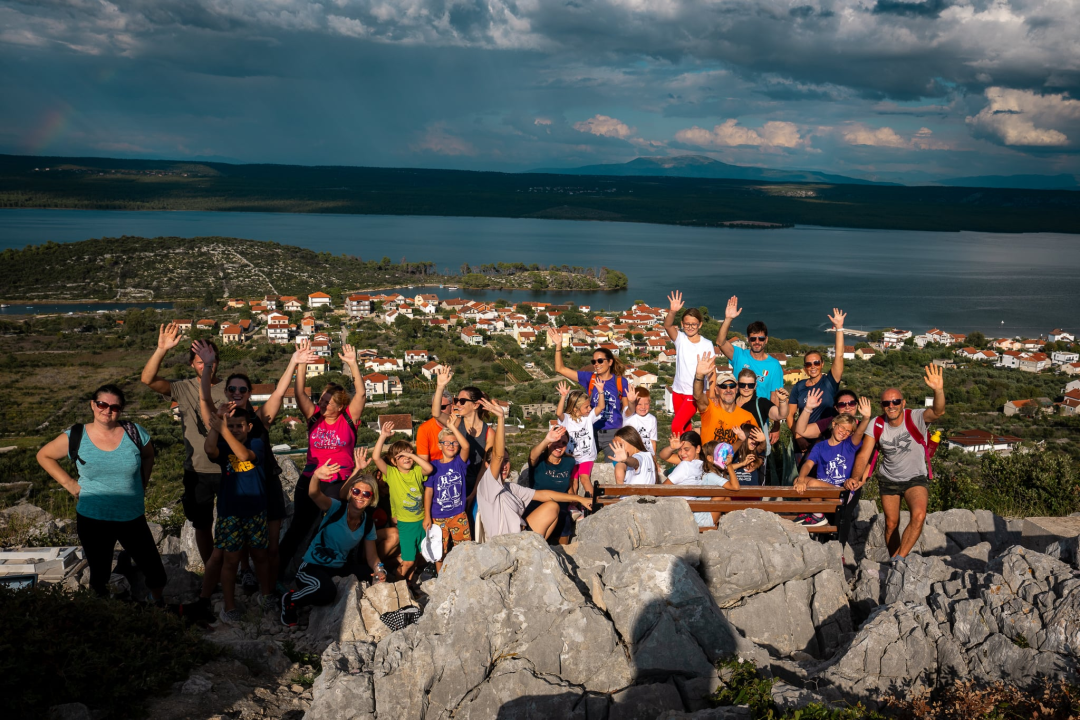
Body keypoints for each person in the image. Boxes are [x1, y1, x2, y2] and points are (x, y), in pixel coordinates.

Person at [195, 339, 318, 595]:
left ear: (249, 392)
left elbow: (280, 392)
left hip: (267, 484)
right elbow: (204, 397)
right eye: (232, 388)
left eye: (242, 389)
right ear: (227, 391)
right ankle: (242, 576)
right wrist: (207, 366)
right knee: (232, 548)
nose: (237, 392)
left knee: (269, 547)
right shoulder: (222, 419)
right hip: (237, 485)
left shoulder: (259, 419)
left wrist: (294, 362)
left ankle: (270, 588)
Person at [36, 385, 165, 602]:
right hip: (93, 517)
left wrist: (142, 483)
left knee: (155, 570)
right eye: (102, 404)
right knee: (99, 575)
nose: (107, 410)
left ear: (121, 410)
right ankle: (104, 616)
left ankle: (158, 608)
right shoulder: (76, 436)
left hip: (131, 515)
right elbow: (44, 455)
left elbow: (148, 456)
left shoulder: (134, 433)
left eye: (114, 407)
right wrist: (70, 484)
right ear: (93, 405)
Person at [277, 343, 367, 579]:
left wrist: (352, 363)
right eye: (323, 400)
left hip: (339, 481)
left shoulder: (349, 419)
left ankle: (331, 574)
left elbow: (362, 394)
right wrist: (302, 363)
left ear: (341, 406)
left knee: (334, 529)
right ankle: (276, 576)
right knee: (298, 528)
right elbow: (299, 394)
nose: (324, 404)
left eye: (329, 402)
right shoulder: (314, 417)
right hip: (311, 478)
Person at [141, 322, 227, 566]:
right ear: (192, 364)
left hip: (227, 468)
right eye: (200, 361)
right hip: (196, 469)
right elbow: (147, 379)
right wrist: (161, 349)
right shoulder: (182, 387)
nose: (205, 365)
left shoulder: (230, 388)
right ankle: (212, 570)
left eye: (210, 360)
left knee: (232, 521)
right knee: (202, 525)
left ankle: (237, 568)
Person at [848, 365, 946, 563]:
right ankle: (894, 560)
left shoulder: (915, 417)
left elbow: (938, 411)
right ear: (882, 405)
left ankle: (899, 559)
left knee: (918, 515)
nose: (891, 406)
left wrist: (938, 390)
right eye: (886, 402)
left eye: (895, 401)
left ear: (903, 403)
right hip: (889, 479)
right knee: (891, 524)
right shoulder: (876, 424)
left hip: (915, 478)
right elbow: (863, 455)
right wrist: (855, 478)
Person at [280, 452, 386, 627]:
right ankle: (290, 599)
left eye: (366, 494)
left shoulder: (367, 523)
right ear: (350, 493)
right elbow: (314, 494)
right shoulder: (336, 508)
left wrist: (380, 570)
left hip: (337, 567)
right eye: (356, 491)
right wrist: (315, 476)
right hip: (313, 566)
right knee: (327, 592)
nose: (360, 496)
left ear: (372, 499)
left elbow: (372, 557)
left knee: (370, 575)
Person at [475, 400, 593, 539]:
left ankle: (538, 547)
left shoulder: (510, 487)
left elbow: (543, 495)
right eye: (500, 462)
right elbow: (498, 455)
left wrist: (578, 499)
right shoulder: (488, 485)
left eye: (507, 461)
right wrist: (501, 418)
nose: (504, 466)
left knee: (552, 507)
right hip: (505, 543)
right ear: (488, 465)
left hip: (522, 536)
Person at [203, 403, 272, 623]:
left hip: (256, 511)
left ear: (249, 426)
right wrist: (217, 425)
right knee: (230, 561)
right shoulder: (223, 446)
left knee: (260, 555)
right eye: (230, 426)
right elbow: (209, 450)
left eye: (239, 426)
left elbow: (243, 456)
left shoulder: (257, 444)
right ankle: (229, 606)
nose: (234, 430)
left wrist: (223, 430)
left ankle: (267, 595)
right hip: (230, 512)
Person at [792, 391, 872, 528]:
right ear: (834, 425)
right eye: (842, 428)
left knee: (812, 485)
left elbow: (859, 433)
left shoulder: (848, 446)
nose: (844, 432)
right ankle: (810, 513)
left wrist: (866, 418)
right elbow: (808, 464)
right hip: (824, 488)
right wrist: (801, 477)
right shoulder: (820, 446)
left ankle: (817, 516)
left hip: (841, 491)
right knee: (798, 480)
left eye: (848, 431)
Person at [549, 328, 631, 456]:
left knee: (616, 467)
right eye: (594, 362)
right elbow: (560, 369)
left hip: (614, 432)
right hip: (591, 430)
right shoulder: (590, 378)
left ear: (610, 362)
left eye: (600, 361)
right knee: (582, 463)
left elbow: (626, 410)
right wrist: (558, 346)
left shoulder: (621, 382)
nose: (596, 364)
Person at [372, 422, 433, 587]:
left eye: (409, 454)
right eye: (401, 456)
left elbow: (429, 469)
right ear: (393, 461)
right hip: (406, 524)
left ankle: (409, 584)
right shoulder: (391, 474)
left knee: (417, 557)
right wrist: (383, 436)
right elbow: (376, 457)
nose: (406, 458)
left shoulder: (417, 471)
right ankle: (395, 585)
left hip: (421, 521)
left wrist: (412, 455)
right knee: (407, 560)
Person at [430, 366, 492, 511]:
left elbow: (485, 467)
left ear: (476, 405)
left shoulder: (489, 433)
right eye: (457, 400)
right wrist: (440, 387)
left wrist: (474, 492)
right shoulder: (456, 423)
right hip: (454, 483)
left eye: (462, 401)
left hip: (477, 485)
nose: (457, 404)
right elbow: (436, 413)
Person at [790, 309, 848, 449]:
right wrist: (798, 437)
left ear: (822, 364)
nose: (813, 366)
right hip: (803, 442)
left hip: (828, 441)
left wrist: (839, 328)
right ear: (805, 368)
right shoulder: (799, 387)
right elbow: (790, 415)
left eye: (816, 363)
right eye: (809, 364)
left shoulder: (830, 382)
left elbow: (839, 356)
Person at [420, 421, 471, 571]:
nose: (451, 445)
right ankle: (441, 577)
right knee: (438, 551)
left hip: (458, 514)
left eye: (454, 442)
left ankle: (463, 574)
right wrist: (427, 516)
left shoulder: (459, 463)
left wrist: (454, 428)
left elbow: (466, 446)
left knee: (464, 548)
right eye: (446, 442)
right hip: (437, 516)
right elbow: (428, 491)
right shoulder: (433, 466)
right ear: (439, 446)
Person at [664, 291, 715, 434]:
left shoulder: (707, 344)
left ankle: (684, 450)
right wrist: (672, 311)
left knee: (676, 426)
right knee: (685, 427)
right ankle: (688, 453)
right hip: (677, 391)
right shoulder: (680, 339)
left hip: (694, 394)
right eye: (687, 324)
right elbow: (668, 326)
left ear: (700, 325)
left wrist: (712, 394)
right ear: (682, 324)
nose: (690, 327)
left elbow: (712, 371)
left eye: (694, 324)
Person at [715, 297, 784, 402]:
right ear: (748, 340)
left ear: (766, 340)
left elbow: (774, 397)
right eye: (753, 338)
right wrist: (728, 319)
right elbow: (720, 342)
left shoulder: (774, 365)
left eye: (761, 339)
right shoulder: (739, 355)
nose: (757, 342)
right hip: (736, 411)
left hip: (759, 415)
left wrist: (775, 417)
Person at [692, 353, 759, 446]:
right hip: (708, 459)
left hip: (733, 460)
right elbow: (698, 395)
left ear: (736, 389)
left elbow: (756, 444)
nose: (728, 390)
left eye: (732, 386)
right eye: (723, 386)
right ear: (716, 390)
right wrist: (699, 376)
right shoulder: (710, 408)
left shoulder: (747, 417)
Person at [525, 424, 578, 542]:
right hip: (538, 508)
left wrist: (572, 495)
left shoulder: (569, 462)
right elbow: (532, 456)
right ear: (549, 442)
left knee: (564, 521)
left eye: (564, 443)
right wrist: (547, 440)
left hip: (562, 510)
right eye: (556, 441)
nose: (560, 445)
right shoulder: (539, 460)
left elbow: (568, 482)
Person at [555, 381, 601, 499]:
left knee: (585, 479)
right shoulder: (567, 419)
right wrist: (563, 396)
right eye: (586, 407)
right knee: (572, 483)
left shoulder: (588, 418)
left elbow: (601, 407)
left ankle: (591, 504)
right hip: (571, 458)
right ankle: (573, 506)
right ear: (575, 409)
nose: (590, 408)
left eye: (589, 405)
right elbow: (559, 412)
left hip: (586, 456)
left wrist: (600, 392)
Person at [416, 389, 453, 461]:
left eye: (442, 407)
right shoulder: (424, 429)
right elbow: (424, 462)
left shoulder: (458, 426)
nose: (438, 411)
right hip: (435, 470)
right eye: (435, 407)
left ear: (451, 408)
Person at [623, 387, 658, 455]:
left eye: (646, 404)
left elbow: (652, 441)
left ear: (650, 402)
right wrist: (631, 402)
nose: (643, 407)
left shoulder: (652, 419)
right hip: (629, 454)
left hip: (646, 455)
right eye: (639, 404)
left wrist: (654, 460)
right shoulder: (628, 415)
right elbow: (630, 409)